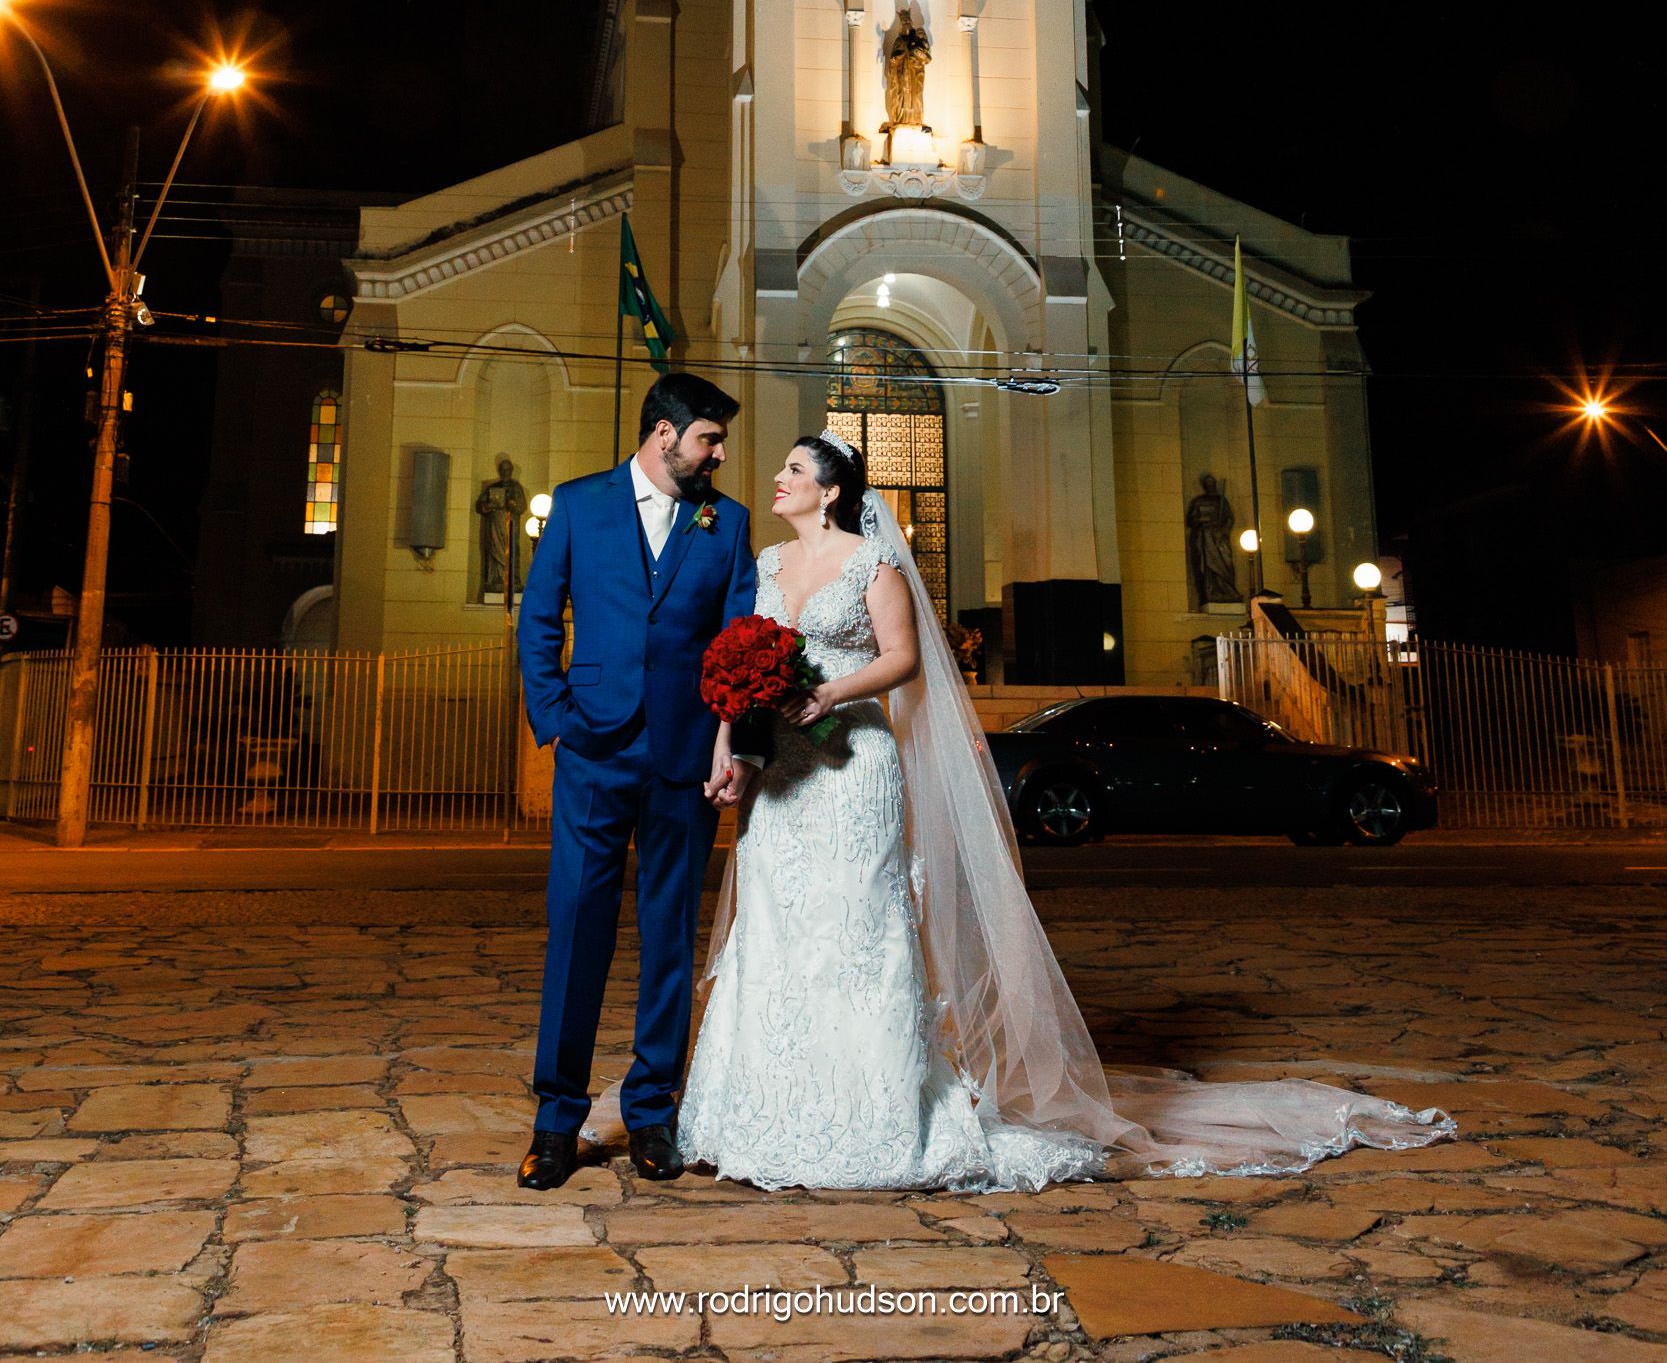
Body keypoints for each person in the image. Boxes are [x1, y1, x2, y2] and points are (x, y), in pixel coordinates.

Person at [679, 431, 1456, 1192]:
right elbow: (742, 665)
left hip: (853, 768)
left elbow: (903, 658)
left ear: (830, 490)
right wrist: (733, 749)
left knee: (856, 926)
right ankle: (765, 1108)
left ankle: (871, 1115)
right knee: (775, 924)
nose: (777, 478)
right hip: (782, 770)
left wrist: (829, 692)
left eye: (792, 468)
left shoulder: (873, 563)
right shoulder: (768, 564)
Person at [515, 372, 759, 1193]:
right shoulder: (578, 505)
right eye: (708, 440)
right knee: (576, 927)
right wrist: (555, 715)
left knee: (667, 936)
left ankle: (652, 1111)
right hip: (593, 746)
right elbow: (538, 616)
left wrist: (730, 742)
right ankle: (556, 1121)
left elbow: (736, 640)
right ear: (664, 434)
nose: (717, 455)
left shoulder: (726, 522)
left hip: (684, 756)